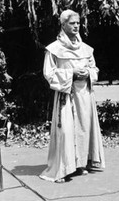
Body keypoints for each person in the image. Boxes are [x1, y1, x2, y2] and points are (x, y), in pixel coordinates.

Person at [39, 10, 105, 183]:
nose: (76, 26)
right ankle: (62, 169)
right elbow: (49, 73)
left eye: (78, 23)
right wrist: (71, 73)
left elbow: (95, 69)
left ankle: (80, 164)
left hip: (84, 95)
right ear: (63, 25)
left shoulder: (86, 49)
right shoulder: (54, 49)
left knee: (83, 129)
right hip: (66, 95)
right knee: (66, 130)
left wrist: (88, 73)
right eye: (72, 23)